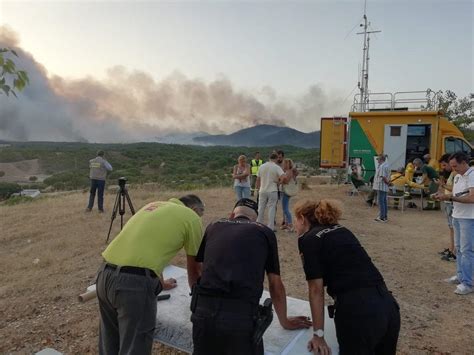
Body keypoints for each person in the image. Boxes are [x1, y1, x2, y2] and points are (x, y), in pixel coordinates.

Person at [191, 198, 312, 355]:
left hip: (203, 313)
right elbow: (275, 284)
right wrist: (285, 321)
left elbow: (198, 267)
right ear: (255, 219)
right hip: (240, 318)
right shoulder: (264, 231)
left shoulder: (214, 226)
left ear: (232, 215)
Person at [96, 195, 205, 355]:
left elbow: (147, 246)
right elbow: (195, 268)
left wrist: (161, 282)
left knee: (110, 344)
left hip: (104, 275)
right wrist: (199, 301)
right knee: (134, 347)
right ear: (195, 210)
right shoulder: (192, 218)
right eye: (200, 215)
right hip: (134, 286)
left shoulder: (153, 205)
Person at [294, 199, 400, 355]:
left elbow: (316, 289)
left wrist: (318, 335)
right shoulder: (342, 229)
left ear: (302, 219)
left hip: (358, 313)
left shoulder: (308, 239)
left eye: (296, 220)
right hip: (388, 306)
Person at [435, 152, 474, 295]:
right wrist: (444, 194)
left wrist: (450, 198)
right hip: (457, 215)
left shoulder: (472, 175)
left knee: (467, 250)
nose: (453, 169)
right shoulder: (458, 176)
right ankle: (461, 276)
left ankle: (468, 283)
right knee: (458, 248)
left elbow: (471, 198)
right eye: (451, 166)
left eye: (455, 166)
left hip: (468, 218)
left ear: (464, 162)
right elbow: (457, 194)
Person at [256, 152, 285, 231]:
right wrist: (278, 183)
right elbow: (283, 177)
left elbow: (258, 179)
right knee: (271, 208)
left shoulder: (262, 166)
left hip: (262, 190)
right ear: (275, 159)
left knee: (261, 207)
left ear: (269, 158)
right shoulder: (276, 167)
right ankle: (270, 227)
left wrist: (257, 189)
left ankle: (258, 224)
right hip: (272, 190)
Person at [436, 154, 457, 262]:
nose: (443, 168)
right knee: (451, 228)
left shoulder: (455, 174)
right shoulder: (451, 174)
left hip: (451, 202)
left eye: (444, 165)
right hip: (448, 202)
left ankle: (454, 251)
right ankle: (451, 249)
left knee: (453, 228)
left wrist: (442, 185)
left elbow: (454, 189)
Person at [280, 158, 297, 231]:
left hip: (286, 191)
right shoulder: (288, 171)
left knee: (285, 209)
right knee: (284, 208)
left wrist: (281, 180)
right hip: (285, 191)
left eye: (285, 163)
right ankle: (286, 224)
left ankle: (290, 224)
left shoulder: (289, 172)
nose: (283, 164)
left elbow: (286, 181)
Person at [373, 154, 391, 222]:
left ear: (381, 159)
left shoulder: (382, 166)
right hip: (384, 186)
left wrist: (387, 183)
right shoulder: (387, 165)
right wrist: (388, 183)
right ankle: (384, 216)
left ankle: (382, 217)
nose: (377, 161)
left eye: (378, 160)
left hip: (381, 186)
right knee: (384, 202)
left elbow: (383, 177)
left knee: (381, 202)